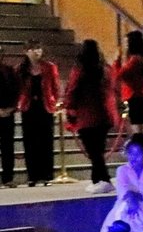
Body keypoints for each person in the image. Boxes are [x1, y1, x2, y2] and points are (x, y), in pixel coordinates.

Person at [64, 39, 119, 193]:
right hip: (105, 114)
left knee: (93, 151)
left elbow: (72, 90)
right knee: (98, 149)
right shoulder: (106, 69)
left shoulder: (80, 70)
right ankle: (96, 179)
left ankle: (104, 179)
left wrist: (69, 108)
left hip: (86, 115)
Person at [17, 41, 59, 187]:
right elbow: (18, 88)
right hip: (28, 107)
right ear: (26, 52)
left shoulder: (49, 67)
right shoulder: (21, 69)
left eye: (38, 49)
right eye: (32, 49)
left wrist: (54, 102)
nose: (36, 52)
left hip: (45, 106)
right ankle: (32, 176)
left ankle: (47, 175)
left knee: (46, 141)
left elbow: (55, 87)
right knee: (30, 142)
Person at [115, 30, 143, 136]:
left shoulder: (134, 61)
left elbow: (120, 75)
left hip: (134, 99)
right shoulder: (142, 60)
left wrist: (117, 61)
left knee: (137, 131)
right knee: (137, 130)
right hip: (137, 99)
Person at [0, 56, 18, 187]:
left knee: (7, 146)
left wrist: (11, 108)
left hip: (7, 112)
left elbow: (17, 90)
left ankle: (8, 178)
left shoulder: (9, 70)